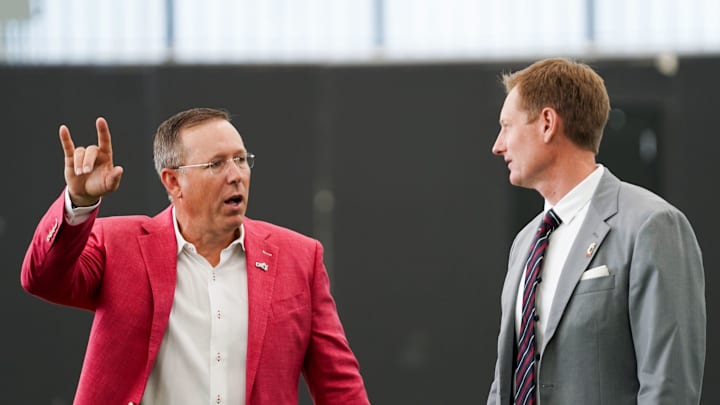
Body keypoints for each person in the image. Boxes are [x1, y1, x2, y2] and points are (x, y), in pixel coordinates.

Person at [21, 107, 371, 405]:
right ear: (173, 182)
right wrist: (79, 202)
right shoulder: (117, 244)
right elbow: (42, 279)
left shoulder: (299, 257)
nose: (236, 175)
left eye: (240, 159)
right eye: (216, 164)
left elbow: (339, 387)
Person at [486, 58, 705, 405]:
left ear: (547, 124)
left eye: (506, 126)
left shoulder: (652, 225)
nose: (498, 145)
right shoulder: (524, 243)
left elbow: (669, 388)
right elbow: (506, 383)